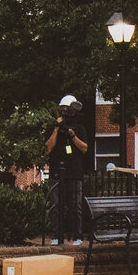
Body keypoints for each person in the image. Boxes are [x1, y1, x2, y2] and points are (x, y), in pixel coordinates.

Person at [43, 96, 92, 246]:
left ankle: (77, 236)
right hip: (57, 172)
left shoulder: (79, 128)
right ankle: (57, 235)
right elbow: (48, 148)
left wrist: (73, 135)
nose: (65, 112)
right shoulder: (53, 127)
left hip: (75, 172)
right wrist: (57, 129)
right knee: (56, 205)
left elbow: (84, 148)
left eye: (68, 109)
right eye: (63, 109)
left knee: (75, 205)